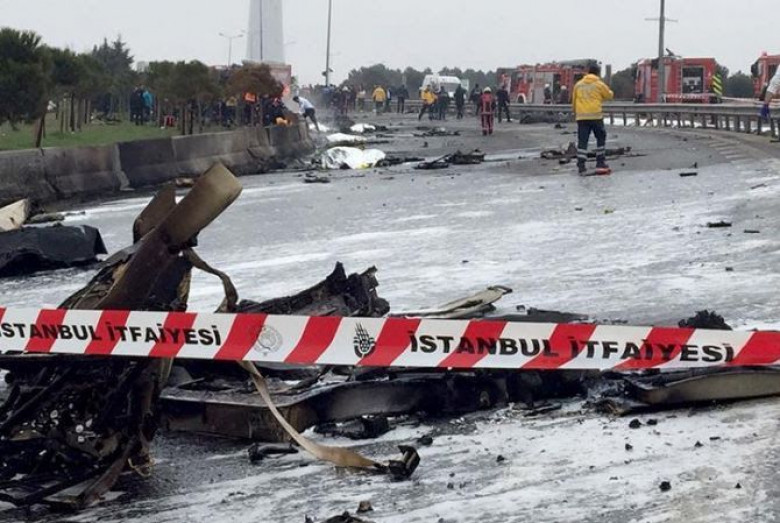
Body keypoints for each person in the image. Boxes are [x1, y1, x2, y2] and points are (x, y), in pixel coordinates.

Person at [572, 63, 614, 175]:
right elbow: (609, 96)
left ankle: (581, 165)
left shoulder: (578, 85)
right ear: (598, 73)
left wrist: (575, 112)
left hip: (581, 117)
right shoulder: (599, 84)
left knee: (582, 141)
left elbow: (574, 100)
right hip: (596, 116)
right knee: (600, 137)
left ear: (588, 72)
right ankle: (600, 162)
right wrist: (609, 92)